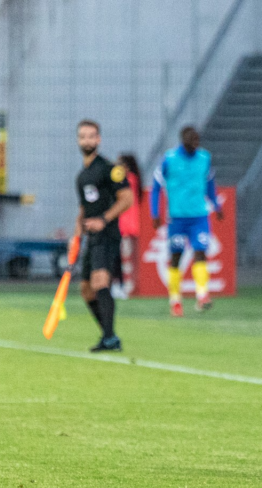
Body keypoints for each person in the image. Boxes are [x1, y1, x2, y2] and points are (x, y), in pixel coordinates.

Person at [150, 126, 223, 317]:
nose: (196, 145)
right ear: (183, 140)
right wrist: (155, 213)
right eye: (192, 141)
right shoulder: (170, 159)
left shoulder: (204, 158)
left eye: (198, 141)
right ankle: (175, 300)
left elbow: (209, 185)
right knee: (177, 258)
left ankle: (202, 296)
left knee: (201, 251)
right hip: (177, 217)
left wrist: (216, 205)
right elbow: (156, 186)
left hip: (199, 216)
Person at [74, 119, 133, 352]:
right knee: (86, 290)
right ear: (78, 140)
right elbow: (83, 209)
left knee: (101, 282)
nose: (87, 140)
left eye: (91, 136)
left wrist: (104, 219)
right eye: (83, 136)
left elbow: (126, 198)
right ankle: (110, 335)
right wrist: (76, 234)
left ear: (98, 139)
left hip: (108, 235)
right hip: (91, 238)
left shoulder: (110, 169)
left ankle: (108, 338)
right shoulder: (82, 176)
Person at [114, 153, 143, 299]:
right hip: (130, 224)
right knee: (126, 257)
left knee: (123, 257)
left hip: (125, 224)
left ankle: (124, 286)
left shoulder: (128, 179)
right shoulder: (135, 179)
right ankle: (125, 286)